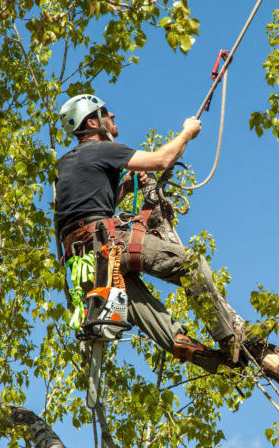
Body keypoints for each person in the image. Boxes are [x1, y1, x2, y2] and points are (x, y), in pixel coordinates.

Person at [54, 94, 245, 373]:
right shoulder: (102, 149)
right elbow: (162, 159)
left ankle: (211, 361)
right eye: (105, 112)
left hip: (85, 263)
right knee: (192, 265)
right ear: (93, 122)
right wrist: (186, 133)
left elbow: (85, 210)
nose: (113, 116)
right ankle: (230, 338)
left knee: (149, 314)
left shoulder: (65, 164)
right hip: (107, 243)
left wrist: (126, 188)